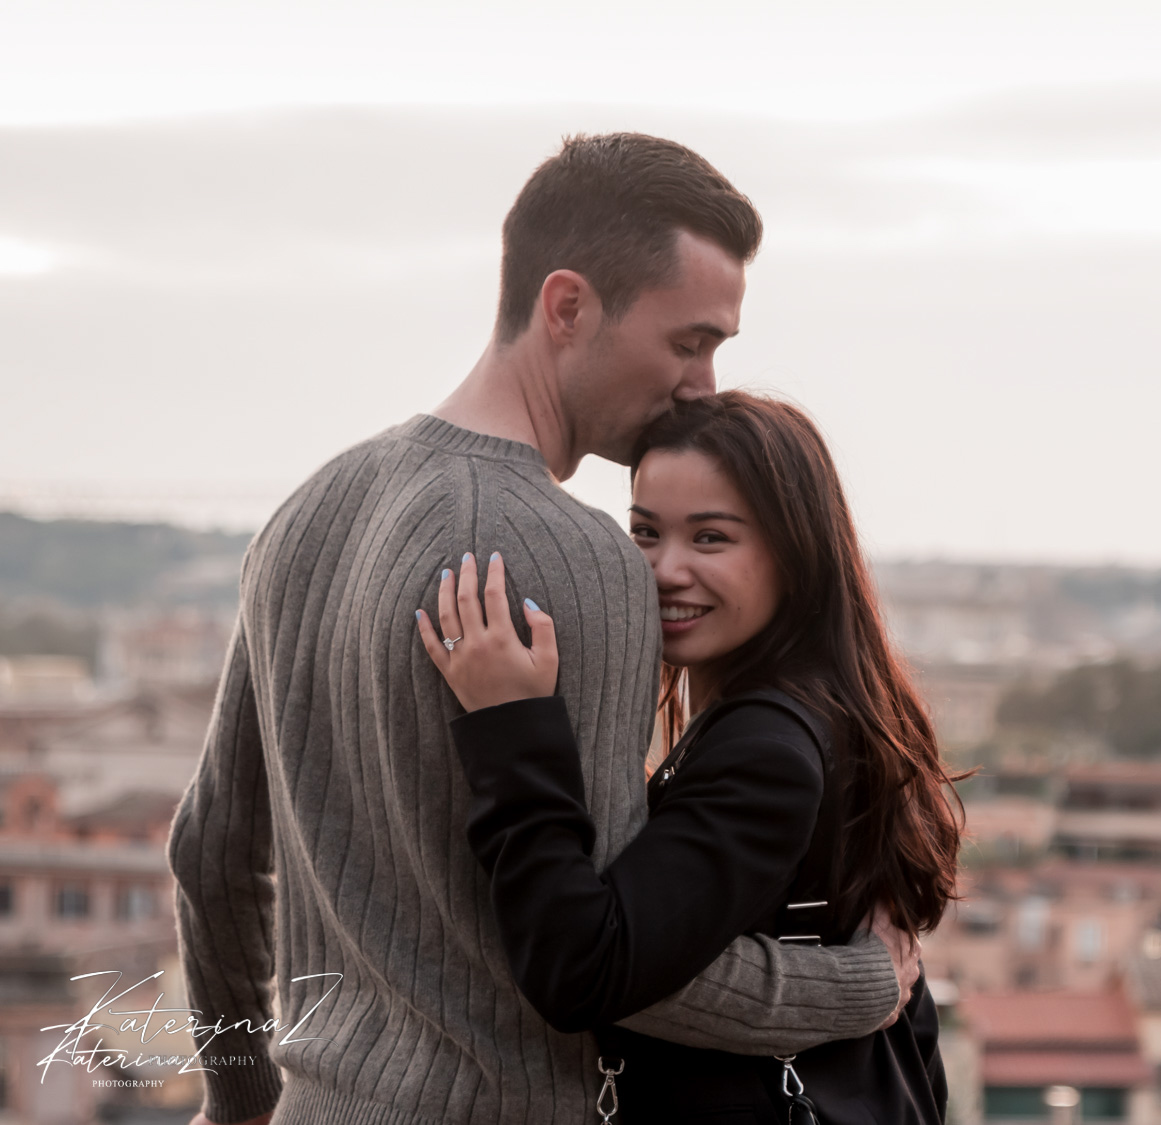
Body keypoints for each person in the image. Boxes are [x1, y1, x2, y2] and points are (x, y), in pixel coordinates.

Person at [166, 134, 919, 1125]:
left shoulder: (309, 513)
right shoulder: (581, 559)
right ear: (567, 307)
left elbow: (211, 850)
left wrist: (237, 1099)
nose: (700, 384)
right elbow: (615, 963)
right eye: (688, 341)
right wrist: (866, 987)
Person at [419, 391, 965, 1123]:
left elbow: (579, 969)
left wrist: (512, 726)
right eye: (645, 532)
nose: (665, 568)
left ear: (795, 550)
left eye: (710, 537)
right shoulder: (829, 712)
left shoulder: (766, 746)